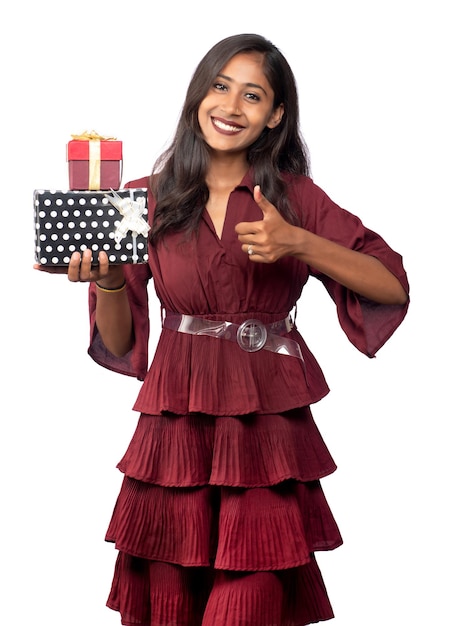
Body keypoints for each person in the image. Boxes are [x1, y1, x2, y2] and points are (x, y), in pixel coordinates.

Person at [35, 33, 409, 626]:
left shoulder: (295, 199)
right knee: (166, 607)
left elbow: (389, 284)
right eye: (220, 86)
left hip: (266, 436)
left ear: (275, 115)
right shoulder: (140, 200)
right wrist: (106, 281)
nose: (231, 107)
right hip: (173, 439)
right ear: (198, 95)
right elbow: (124, 340)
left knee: (251, 601)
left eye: (253, 95)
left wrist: (300, 242)